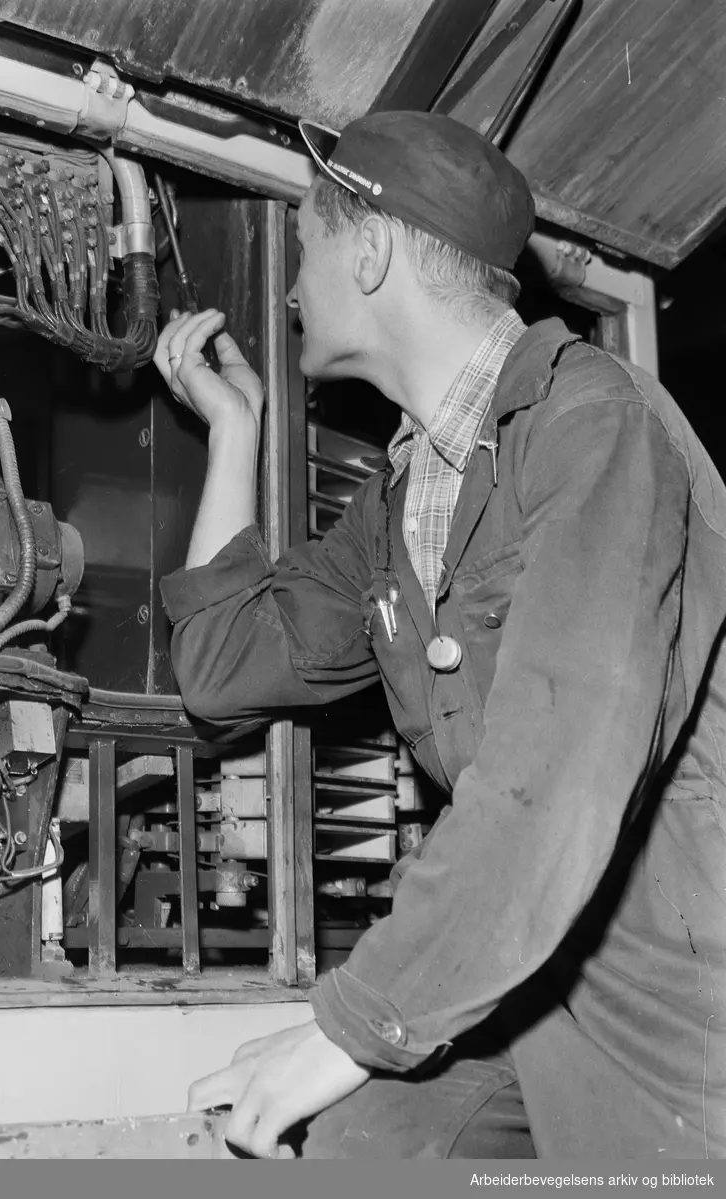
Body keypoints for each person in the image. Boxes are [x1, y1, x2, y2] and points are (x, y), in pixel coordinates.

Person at [153, 110, 726, 1160]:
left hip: (677, 988)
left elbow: (551, 780)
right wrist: (232, 431)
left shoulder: (595, 426)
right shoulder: (404, 502)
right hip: (514, 972)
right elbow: (222, 664)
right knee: (363, 1148)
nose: (287, 291)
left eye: (304, 251)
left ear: (368, 250)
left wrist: (350, 1023)